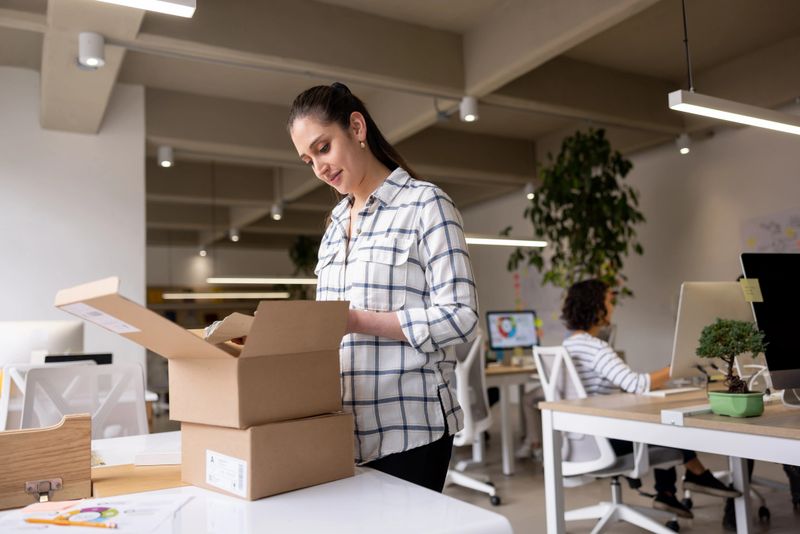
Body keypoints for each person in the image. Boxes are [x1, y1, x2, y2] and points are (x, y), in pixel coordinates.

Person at [286, 82, 479, 493]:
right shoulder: (335, 226)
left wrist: (358, 321)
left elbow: (462, 317)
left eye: (323, 148)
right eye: (308, 160)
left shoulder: (426, 205)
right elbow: (330, 330)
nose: (319, 168)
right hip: (343, 432)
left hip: (409, 429)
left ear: (356, 128)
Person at [561, 279, 741, 519]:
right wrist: (676, 367)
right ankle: (696, 474)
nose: (613, 307)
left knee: (658, 424)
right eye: (609, 301)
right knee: (668, 427)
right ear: (596, 307)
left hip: (580, 439)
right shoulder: (596, 348)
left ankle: (668, 492)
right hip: (603, 441)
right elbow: (636, 384)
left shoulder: (568, 345)